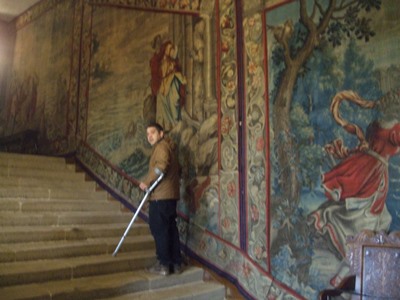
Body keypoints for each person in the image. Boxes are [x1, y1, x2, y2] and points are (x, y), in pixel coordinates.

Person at [139, 122, 183, 276]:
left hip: (161, 196)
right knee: (170, 228)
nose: (149, 136)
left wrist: (147, 181)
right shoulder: (169, 147)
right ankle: (175, 263)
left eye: (153, 132)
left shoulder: (162, 147)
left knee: (159, 228)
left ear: (161, 133)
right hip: (170, 195)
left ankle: (164, 264)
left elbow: (161, 166)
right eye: (147, 134)